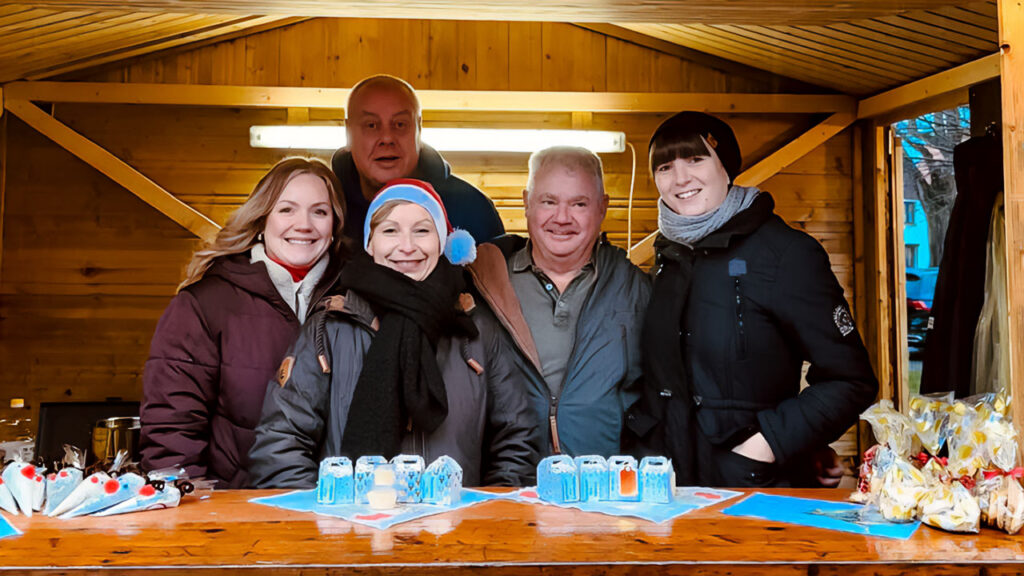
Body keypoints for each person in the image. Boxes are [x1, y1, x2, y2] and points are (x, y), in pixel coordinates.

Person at [629, 111, 878, 488]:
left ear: (726, 165)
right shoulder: (668, 257)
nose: (680, 178)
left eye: (695, 159)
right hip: (666, 490)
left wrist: (771, 443)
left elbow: (850, 380)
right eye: (665, 167)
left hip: (748, 484)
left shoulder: (784, 255)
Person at [248, 179, 537, 488]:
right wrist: (325, 523)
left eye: (422, 230)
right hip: (350, 530)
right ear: (370, 244)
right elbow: (279, 444)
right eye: (390, 230)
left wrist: (481, 518)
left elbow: (518, 441)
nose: (407, 246)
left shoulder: (476, 330)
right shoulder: (329, 327)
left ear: (444, 243)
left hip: (455, 529)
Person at [141, 158, 349, 488]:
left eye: (319, 212)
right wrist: (196, 516)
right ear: (262, 218)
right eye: (287, 210)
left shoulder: (356, 301)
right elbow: (171, 430)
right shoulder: (205, 304)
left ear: (335, 225)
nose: (304, 224)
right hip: (239, 513)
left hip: (343, 515)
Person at [466, 146, 651, 458]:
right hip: (510, 484)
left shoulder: (636, 289)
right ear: (526, 203)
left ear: (603, 207)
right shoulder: (483, 284)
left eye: (579, 203)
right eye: (548, 201)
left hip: (608, 488)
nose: (562, 218)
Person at [332, 74, 504, 246]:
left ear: (419, 129)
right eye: (371, 125)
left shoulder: (472, 210)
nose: (387, 137)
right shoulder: (326, 207)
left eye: (400, 124)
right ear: (348, 132)